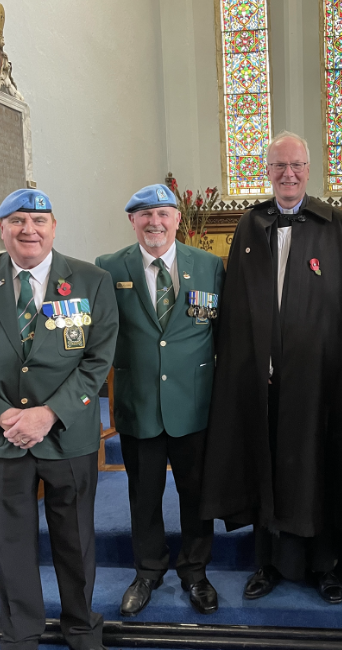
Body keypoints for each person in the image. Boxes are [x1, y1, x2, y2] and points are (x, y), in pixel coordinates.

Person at [200, 131, 342, 605]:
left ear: (309, 170)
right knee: (268, 466)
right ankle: (268, 563)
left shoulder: (336, 224)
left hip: (321, 380)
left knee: (319, 465)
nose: (288, 174)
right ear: (268, 171)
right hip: (264, 378)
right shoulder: (250, 226)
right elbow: (237, 305)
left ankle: (326, 566)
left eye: (296, 165)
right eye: (279, 166)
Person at [0, 189, 118, 650]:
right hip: (2, 437)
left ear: (54, 227)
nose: (29, 230)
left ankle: (81, 627)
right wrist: (1, 414)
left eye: (39, 221)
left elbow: (97, 359)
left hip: (67, 433)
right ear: (1, 228)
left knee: (75, 537)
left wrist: (49, 414)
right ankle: (21, 633)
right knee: (13, 540)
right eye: (18, 220)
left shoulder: (91, 279)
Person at [95, 184, 225, 617]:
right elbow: (100, 335)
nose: (155, 222)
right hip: (140, 402)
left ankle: (195, 572)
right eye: (145, 214)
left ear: (177, 219)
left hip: (194, 403)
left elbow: (222, 334)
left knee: (195, 493)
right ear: (132, 220)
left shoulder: (208, 266)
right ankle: (147, 571)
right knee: (143, 494)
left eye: (163, 213)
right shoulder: (108, 268)